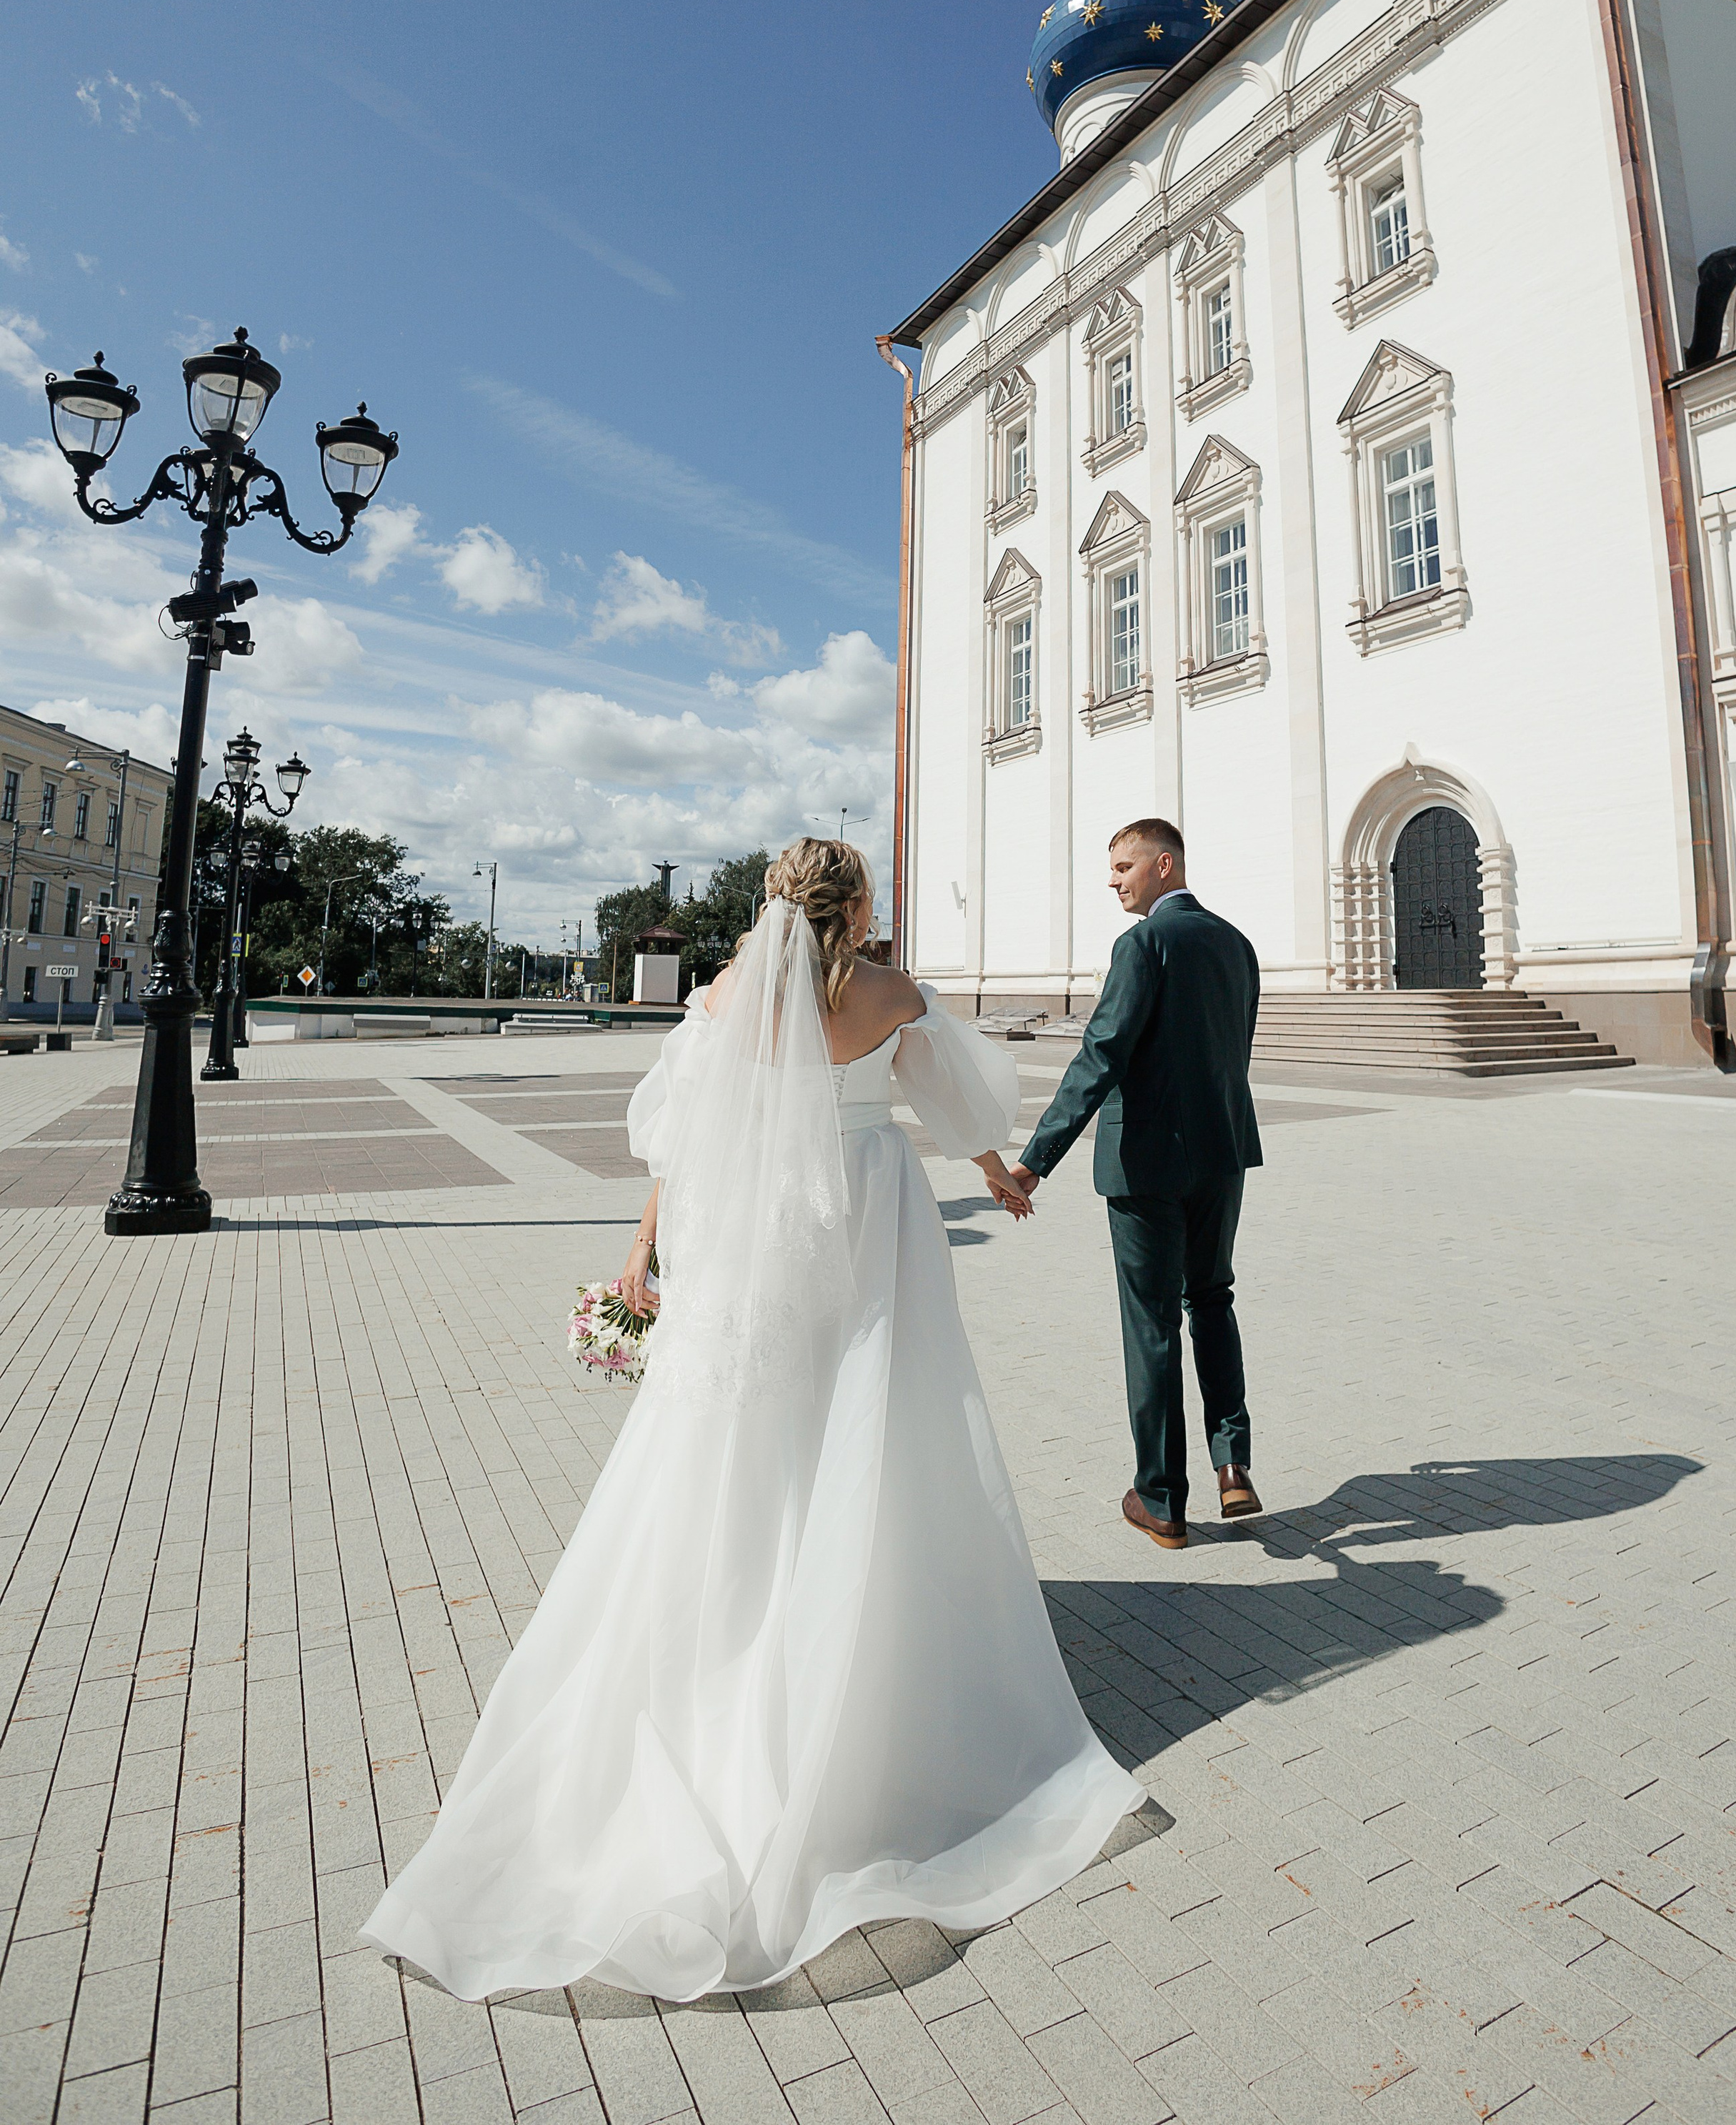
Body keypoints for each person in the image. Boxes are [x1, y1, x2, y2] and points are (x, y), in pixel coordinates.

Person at [361, 837, 1141, 2004]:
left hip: (750, 1242)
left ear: (774, 909)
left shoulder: (723, 996)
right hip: (868, 1228)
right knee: (867, 1430)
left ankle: (728, 1626)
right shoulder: (888, 990)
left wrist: (641, 1251)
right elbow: (950, 1097)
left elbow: (679, 1136)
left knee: (739, 1444)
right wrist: (997, 1166)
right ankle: (852, 1637)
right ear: (858, 904)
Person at [990, 819, 1262, 1551]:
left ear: (1163, 864)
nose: (1113, 880)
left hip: (1147, 1165)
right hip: (1223, 1155)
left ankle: (1161, 1501)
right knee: (1211, 1298)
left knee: (1152, 1326)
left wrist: (1033, 1159)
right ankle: (1232, 1464)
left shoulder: (1143, 944)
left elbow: (1100, 1054)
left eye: (1122, 866)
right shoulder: (1236, 945)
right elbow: (1232, 1049)